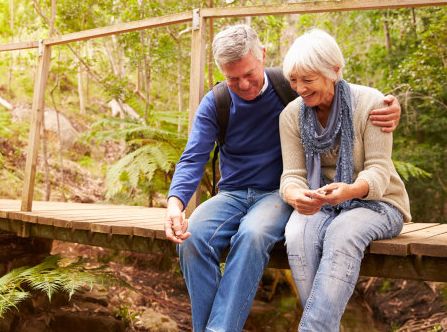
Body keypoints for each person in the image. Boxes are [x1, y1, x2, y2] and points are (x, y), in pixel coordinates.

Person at [164, 23, 402, 332]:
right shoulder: (217, 101)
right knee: (192, 237)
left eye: (249, 73)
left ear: (262, 55)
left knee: (252, 235)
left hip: (277, 194)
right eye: (232, 78)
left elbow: (337, 89)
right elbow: (193, 156)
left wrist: (391, 105)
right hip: (232, 193)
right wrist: (174, 205)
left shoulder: (289, 86)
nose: (244, 84)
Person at [279, 29, 411, 332]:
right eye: (294, 80)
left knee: (340, 232)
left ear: (335, 71)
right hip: (321, 205)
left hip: (377, 203)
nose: (299, 88)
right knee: (297, 232)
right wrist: (294, 195)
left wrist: (350, 190)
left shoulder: (372, 104)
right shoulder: (291, 115)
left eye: (307, 80)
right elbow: (292, 175)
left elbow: (378, 169)